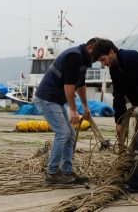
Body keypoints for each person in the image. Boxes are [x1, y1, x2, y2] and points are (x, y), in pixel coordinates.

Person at [91, 39, 138, 193]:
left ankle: (135, 183)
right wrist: (119, 120)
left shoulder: (131, 61)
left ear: (112, 52)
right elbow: (118, 95)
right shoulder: (115, 67)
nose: (103, 64)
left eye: (103, 59)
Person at [34, 38, 100, 184]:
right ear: (90, 48)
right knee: (63, 132)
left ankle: (67, 171)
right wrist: (73, 110)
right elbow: (69, 85)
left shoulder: (83, 60)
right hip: (47, 98)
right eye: (97, 55)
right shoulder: (74, 56)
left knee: (70, 134)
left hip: (56, 100)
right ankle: (52, 173)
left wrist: (85, 106)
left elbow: (80, 84)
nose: (97, 60)